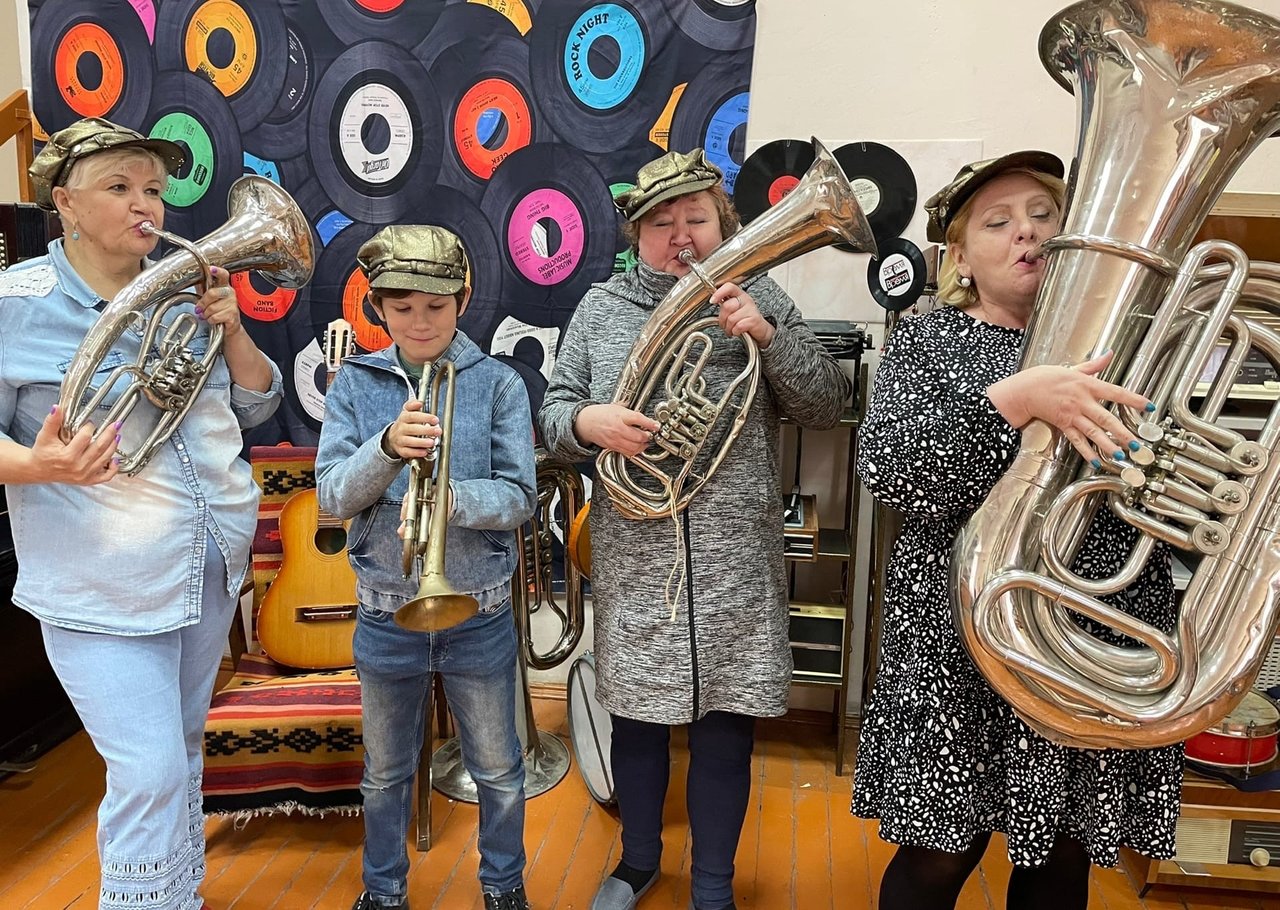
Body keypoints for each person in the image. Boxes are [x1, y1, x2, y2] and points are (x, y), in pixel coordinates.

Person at [853, 151, 1182, 910]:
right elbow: (893, 473)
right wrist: (1017, 400)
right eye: (997, 223)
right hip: (962, 630)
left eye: (1043, 215)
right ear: (960, 259)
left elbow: (1162, 484)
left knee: (1062, 856)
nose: (1027, 233)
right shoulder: (927, 340)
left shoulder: (1127, 345)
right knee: (939, 854)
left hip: (1090, 625)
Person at [538, 148, 851, 910]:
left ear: (724, 223)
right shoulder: (600, 309)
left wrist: (768, 335)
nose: (681, 235)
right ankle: (638, 861)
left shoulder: (759, 291)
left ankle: (713, 884)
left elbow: (827, 404)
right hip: (636, 557)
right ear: (637, 235)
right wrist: (589, 421)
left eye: (697, 218)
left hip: (734, 561)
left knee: (725, 732)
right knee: (637, 725)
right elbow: (552, 414)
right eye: (661, 223)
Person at [0, 117, 283, 909]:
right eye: (119, 187)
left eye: (153, 189)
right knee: (149, 770)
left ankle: (178, 895)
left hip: (207, 562)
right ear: (64, 202)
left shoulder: (184, 288)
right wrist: (38, 465)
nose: (144, 205)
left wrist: (234, 331)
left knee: (181, 753)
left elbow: (257, 405)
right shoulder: (15, 303)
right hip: (101, 584)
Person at [315, 225, 538, 910]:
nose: (419, 322)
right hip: (386, 615)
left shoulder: (498, 383)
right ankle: (383, 891)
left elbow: (521, 497)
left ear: (463, 301)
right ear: (378, 307)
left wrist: (451, 498)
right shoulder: (356, 384)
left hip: (479, 613)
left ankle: (503, 885)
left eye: (436, 307)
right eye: (402, 307)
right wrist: (384, 447)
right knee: (383, 775)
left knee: (499, 771)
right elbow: (332, 496)